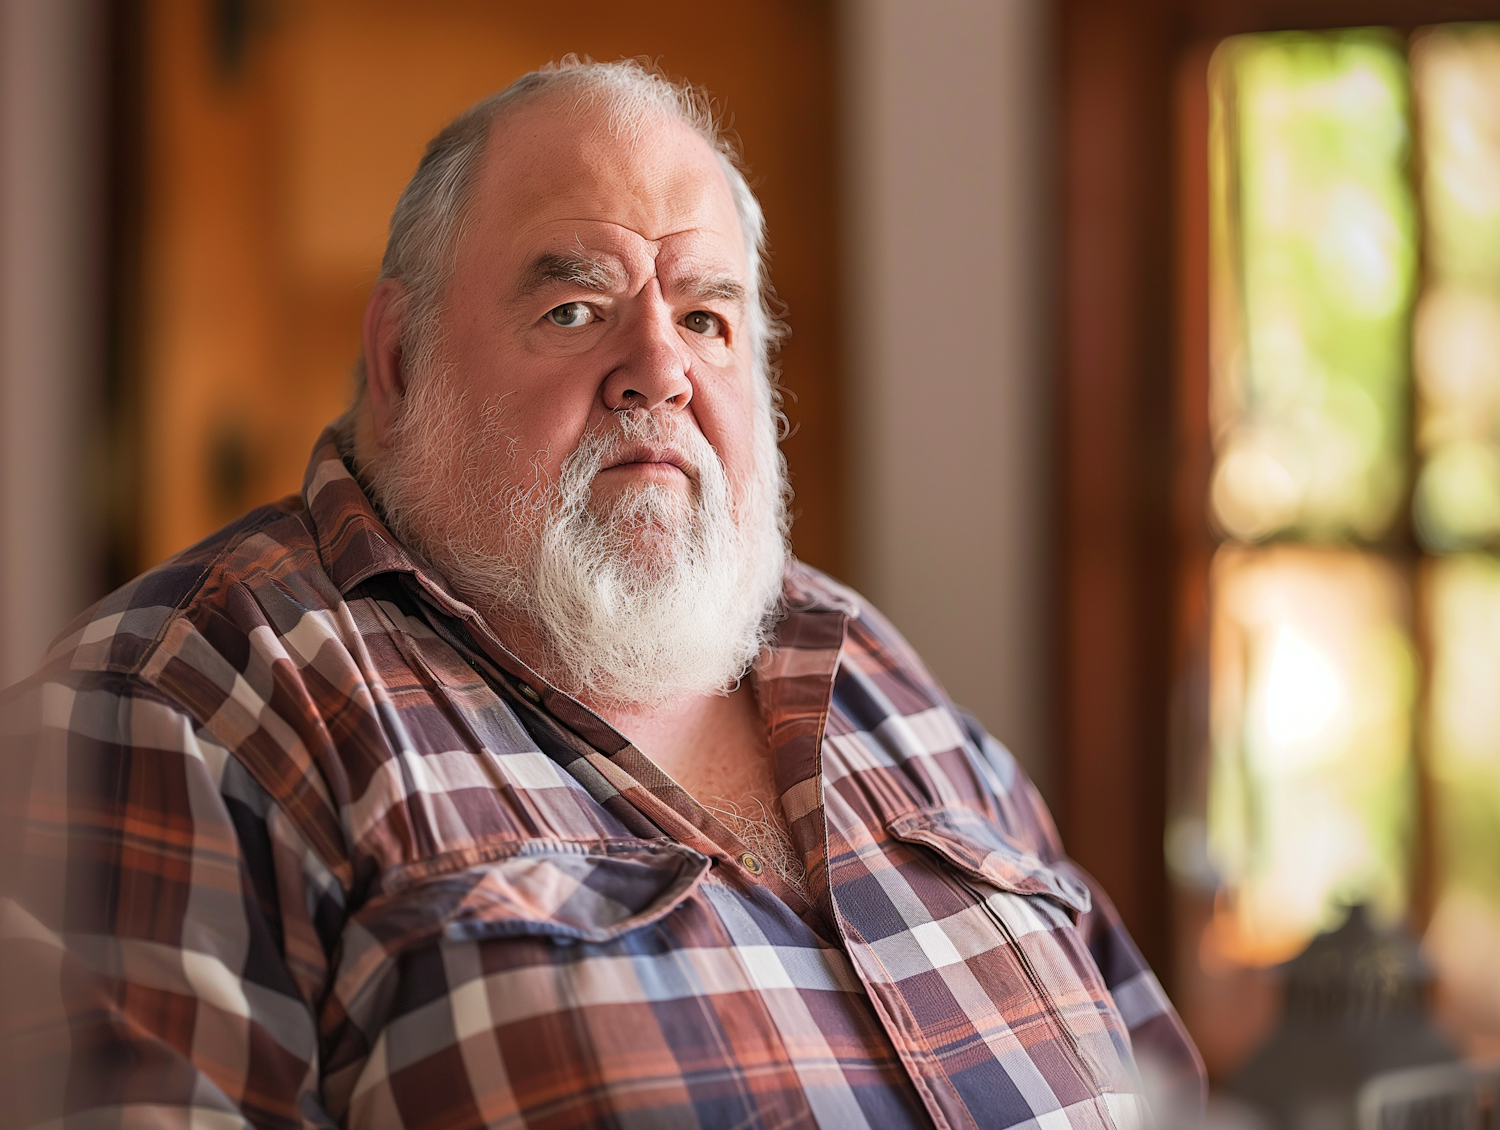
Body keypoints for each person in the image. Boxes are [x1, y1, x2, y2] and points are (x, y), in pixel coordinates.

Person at [0, 58, 1204, 1129]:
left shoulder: (871, 667)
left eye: (707, 317)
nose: (661, 369)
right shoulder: (178, 707)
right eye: (575, 309)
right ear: (401, 359)